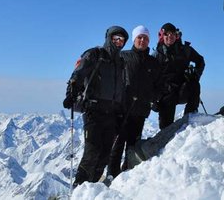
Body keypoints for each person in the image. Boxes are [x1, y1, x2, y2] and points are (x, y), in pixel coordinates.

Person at [62, 26, 128, 187]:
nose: (118, 42)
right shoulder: (94, 54)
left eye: (122, 40)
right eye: (115, 39)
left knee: (105, 154)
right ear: (108, 38)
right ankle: (79, 189)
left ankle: (91, 189)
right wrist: (71, 92)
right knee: (92, 152)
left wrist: (120, 111)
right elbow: (78, 74)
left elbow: (120, 88)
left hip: (111, 113)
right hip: (93, 111)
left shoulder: (120, 62)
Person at [108, 25, 161, 178]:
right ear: (134, 39)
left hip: (141, 110)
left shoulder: (153, 62)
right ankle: (112, 175)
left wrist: (152, 98)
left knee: (133, 145)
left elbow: (159, 84)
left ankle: (128, 174)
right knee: (117, 144)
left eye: (145, 38)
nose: (142, 40)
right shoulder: (123, 56)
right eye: (140, 37)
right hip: (121, 109)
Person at [152, 22, 205, 129]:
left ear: (176, 35)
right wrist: (153, 101)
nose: (170, 36)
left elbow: (200, 61)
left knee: (194, 85)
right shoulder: (157, 55)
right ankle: (165, 140)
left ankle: (189, 121)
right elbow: (150, 78)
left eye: (172, 33)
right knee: (166, 128)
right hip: (166, 94)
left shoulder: (185, 50)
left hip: (182, 89)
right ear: (162, 36)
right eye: (166, 34)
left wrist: (195, 74)